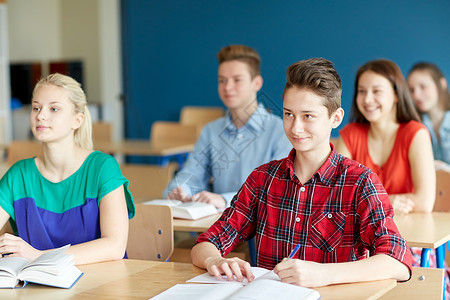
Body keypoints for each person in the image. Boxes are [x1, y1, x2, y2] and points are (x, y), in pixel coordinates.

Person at [191, 58, 412, 287]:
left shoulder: (360, 182)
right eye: (288, 114)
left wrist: (324, 274)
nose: (295, 127)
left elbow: (398, 262)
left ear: (335, 118)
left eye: (308, 116)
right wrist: (214, 259)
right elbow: (205, 243)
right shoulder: (262, 179)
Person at [0, 73, 135, 265]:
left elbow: (115, 246)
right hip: (38, 290)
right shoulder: (18, 175)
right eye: (36, 107)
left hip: (101, 286)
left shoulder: (103, 167)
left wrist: (39, 256)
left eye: (54, 108)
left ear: (77, 120)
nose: (41, 115)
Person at [163, 45, 291, 209]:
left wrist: (225, 200)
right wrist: (180, 190)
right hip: (220, 228)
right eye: (222, 80)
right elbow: (194, 173)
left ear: (256, 83)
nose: (227, 87)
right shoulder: (211, 131)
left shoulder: (279, 131)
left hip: (262, 230)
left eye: (237, 80)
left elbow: (276, 190)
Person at [336, 59, 436, 215]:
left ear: (396, 94)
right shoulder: (350, 135)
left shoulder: (416, 133)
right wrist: (386, 202)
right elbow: (338, 198)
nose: (367, 99)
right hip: (360, 236)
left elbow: (424, 202)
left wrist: (366, 204)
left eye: (377, 91)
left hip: (410, 234)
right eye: (362, 91)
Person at [408, 62, 450, 167]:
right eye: (412, 90)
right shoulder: (414, 126)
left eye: (423, 87)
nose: (416, 95)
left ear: (442, 84)